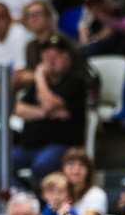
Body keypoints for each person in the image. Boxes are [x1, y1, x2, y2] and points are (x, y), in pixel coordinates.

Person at [11, 35, 87, 185]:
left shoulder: (74, 83)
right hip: (29, 147)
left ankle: (44, 200)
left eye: (56, 55)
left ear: (67, 58)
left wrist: (39, 76)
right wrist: (46, 114)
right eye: (46, 56)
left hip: (60, 146)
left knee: (42, 164)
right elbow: (18, 109)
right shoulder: (37, 87)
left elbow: (49, 104)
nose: (50, 60)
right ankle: (23, 197)